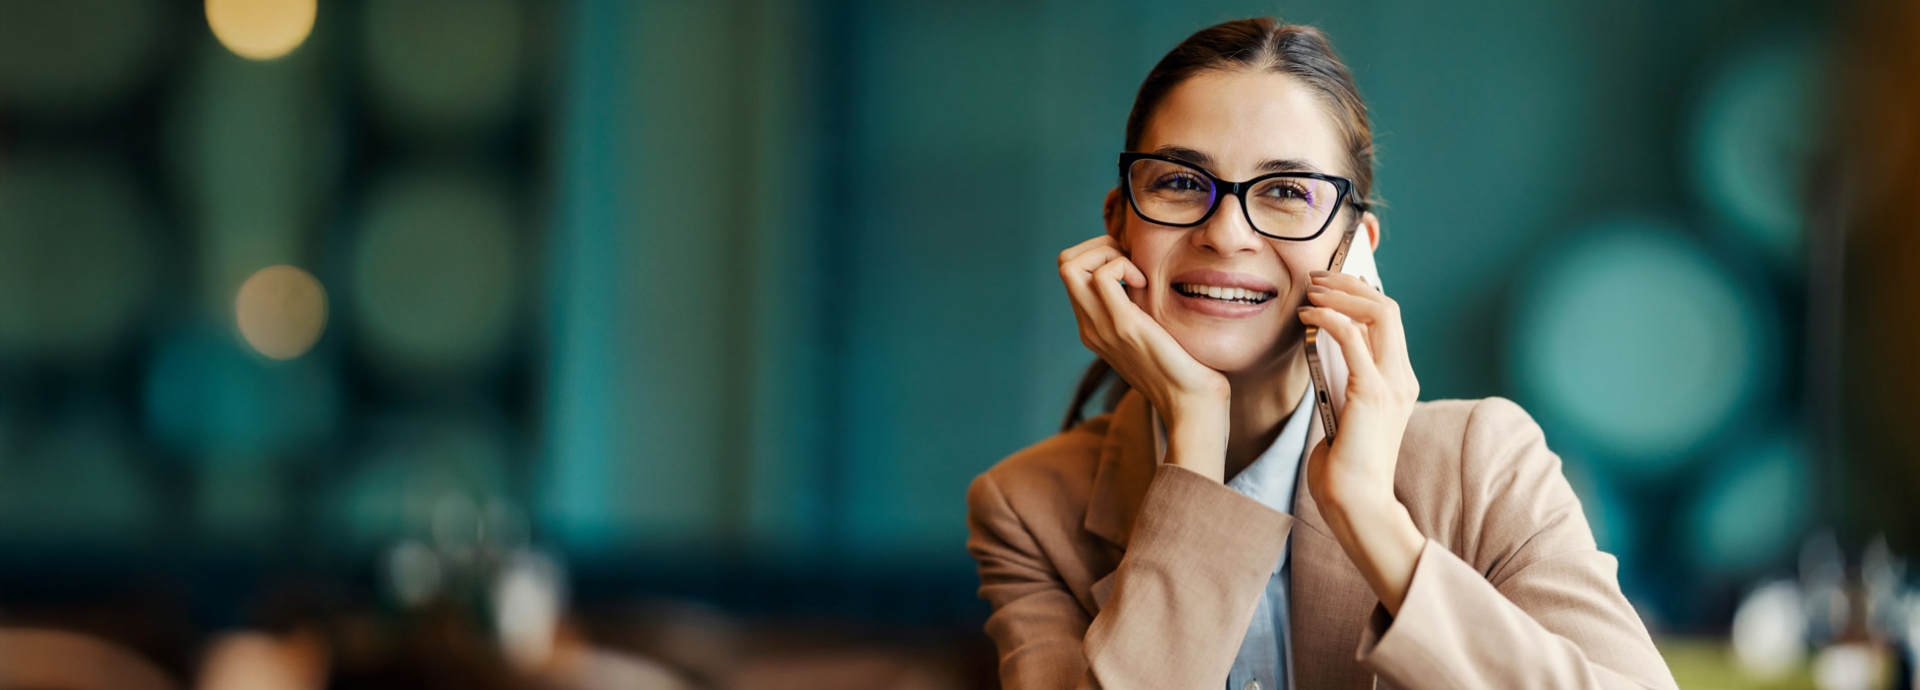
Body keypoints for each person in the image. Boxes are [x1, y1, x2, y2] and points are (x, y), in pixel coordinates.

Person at [964, 17, 1679, 690]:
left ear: (1356, 252)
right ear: (1119, 226)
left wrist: (1372, 517)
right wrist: (1195, 434)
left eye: (1284, 191)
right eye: (1181, 183)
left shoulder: (1482, 466)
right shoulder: (1028, 509)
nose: (1227, 234)